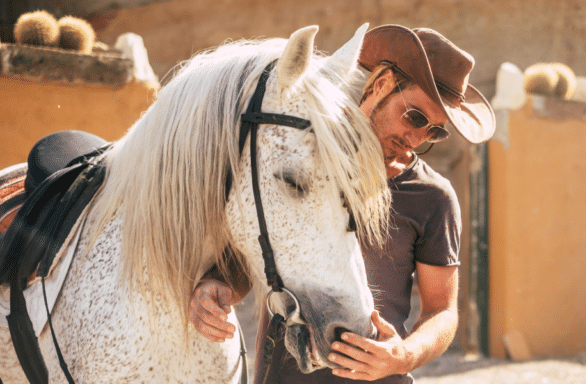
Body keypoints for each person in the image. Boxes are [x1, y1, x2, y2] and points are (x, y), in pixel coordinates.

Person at [188, 24, 495, 383]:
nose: (416, 138)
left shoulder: (432, 196)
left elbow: (442, 310)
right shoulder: (305, 160)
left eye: (434, 131)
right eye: (415, 117)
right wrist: (219, 285)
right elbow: (266, 246)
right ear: (381, 85)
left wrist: (404, 356)